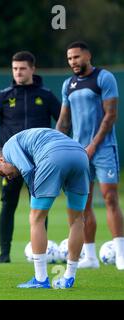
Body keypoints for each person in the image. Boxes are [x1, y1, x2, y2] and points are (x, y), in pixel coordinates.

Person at [0, 51, 61, 263]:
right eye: (15, 69)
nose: (18, 73)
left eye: (22, 68)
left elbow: (64, 121)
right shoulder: (5, 95)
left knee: (40, 206)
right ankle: (4, 253)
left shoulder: (46, 95)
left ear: (33, 69)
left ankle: (40, 252)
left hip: (40, 162)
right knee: (8, 205)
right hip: (12, 165)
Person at [0, 128, 89, 289]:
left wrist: (35, 192)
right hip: (80, 155)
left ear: (1, 160)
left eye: (3, 174)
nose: (8, 178)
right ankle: (69, 277)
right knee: (78, 219)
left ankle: (40, 279)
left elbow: (27, 169)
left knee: (36, 218)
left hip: (53, 155)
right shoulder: (31, 137)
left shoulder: (8, 147)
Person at [56, 41, 124, 270]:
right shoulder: (68, 85)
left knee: (110, 198)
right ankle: (91, 257)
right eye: (69, 58)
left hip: (103, 148)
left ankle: (121, 254)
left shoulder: (104, 78)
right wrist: (55, 147)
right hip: (78, 151)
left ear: (87, 55)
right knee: (82, 203)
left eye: (76, 57)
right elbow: (64, 121)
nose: (73, 62)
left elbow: (110, 115)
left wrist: (94, 144)